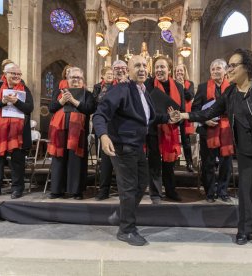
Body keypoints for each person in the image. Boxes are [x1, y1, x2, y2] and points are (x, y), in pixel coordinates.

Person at [171, 48, 252, 255]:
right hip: (246, 148)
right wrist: (183, 115)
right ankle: (245, 229)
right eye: (228, 65)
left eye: (232, 66)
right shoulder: (230, 92)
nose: (228, 70)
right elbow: (209, 112)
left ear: (247, 67)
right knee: (246, 192)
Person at [93, 55, 169, 246]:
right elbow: (100, 114)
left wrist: (169, 118)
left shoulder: (143, 92)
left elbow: (148, 117)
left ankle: (121, 214)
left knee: (142, 183)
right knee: (128, 189)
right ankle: (126, 230)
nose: (142, 69)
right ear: (128, 70)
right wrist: (103, 135)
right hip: (122, 147)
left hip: (137, 146)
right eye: (137, 66)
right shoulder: (121, 89)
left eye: (144, 65)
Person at [0, 64, 34, 199]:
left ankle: (17, 188)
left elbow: (29, 108)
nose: (16, 76)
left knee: (17, 160)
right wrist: (3, 101)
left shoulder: (25, 89)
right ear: (5, 74)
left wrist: (16, 102)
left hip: (18, 132)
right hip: (0, 130)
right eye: (13, 73)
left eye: (18, 74)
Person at [47, 67, 96, 200]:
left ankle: (76, 191)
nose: (76, 80)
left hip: (78, 133)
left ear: (83, 80)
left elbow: (90, 109)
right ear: (67, 79)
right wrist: (62, 101)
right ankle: (57, 190)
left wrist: (74, 101)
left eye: (78, 78)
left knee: (77, 161)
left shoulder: (87, 94)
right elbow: (51, 108)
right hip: (60, 132)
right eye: (72, 77)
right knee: (59, 160)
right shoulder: (59, 92)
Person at [192, 59, 234, 202]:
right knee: (208, 163)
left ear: (225, 71)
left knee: (226, 164)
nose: (216, 71)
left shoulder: (232, 87)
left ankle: (223, 191)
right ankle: (210, 193)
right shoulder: (203, 87)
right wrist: (205, 120)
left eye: (219, 68)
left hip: (227, 131)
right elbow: (195, 109)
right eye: (213, 69)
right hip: (207, 131)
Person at [145, 55, 185, 204]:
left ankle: (170, 191)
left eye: (162, 67)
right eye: (157, 67)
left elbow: (181, 109)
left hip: (171, 130)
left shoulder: (179, 87)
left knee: (169, 163)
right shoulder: (148, 85)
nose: (159, 70)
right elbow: (147, 109)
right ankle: (155, 193)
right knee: (154, 162)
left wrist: (176, 117)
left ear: (169, 69)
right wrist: (165, 116)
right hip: (154, 129)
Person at [93, 66, 116, 201]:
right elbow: (96, 102)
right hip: (104, 125)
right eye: (108, 73)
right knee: (105, 159)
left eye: (112, 73)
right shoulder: (98, 87)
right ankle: (104, 190)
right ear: (102, 76)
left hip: (119, 127)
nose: (111, 75)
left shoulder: (121, 86)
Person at [174, 63, 195, 172]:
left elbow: (190, 96)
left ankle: (189, 163)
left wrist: (182, 86)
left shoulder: (189, 83)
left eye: (181, 71)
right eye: (177, 71)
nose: (179, 73)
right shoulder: (172, 83)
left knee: (185, 141)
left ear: (184, 71)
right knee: (173, 139)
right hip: (174, 114)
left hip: (185, 115)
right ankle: (172, 162)